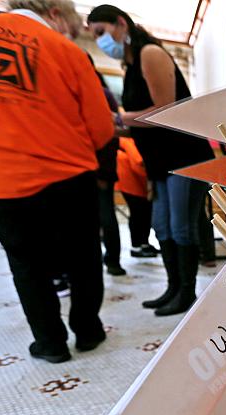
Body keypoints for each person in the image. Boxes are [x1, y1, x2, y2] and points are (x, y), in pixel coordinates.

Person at [0, 1, 114, 363]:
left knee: (26, 264)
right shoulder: (68, 52)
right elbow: (102, 129)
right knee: (83, 257)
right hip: (70, 176)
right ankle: (88, 331)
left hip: (0, 178)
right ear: (55, 13)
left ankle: (50, 343)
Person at [88, 5, 214, 316]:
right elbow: (138, 123)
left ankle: (187, 293)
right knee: (162, 227)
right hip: (159, 161)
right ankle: (173, 287)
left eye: (101, 32)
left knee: (181, 227)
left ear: (121, 23)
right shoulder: (129, 67)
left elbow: (164, 110)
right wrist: (116, 126)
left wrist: (118, 118)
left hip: (185, 155)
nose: (100, 40)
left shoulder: (150, 53)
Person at [90, 61, 126, 276]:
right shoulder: (105, 93)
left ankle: (110, 260)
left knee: (102, 214)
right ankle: (111, 261)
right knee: (104, 212)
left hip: (96, 164)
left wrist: (102, 169)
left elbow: (109, 132)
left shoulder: (97, 94)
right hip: (101, 163)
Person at [115, 136, 156, 257]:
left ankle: (143, 244)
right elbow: (139, 162)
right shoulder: (129, 141)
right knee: (140, 213)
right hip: (132, 182)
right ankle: (138, 246)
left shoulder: (126, 140)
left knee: (140, 213)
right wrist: (152, 176)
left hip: (130, 181)